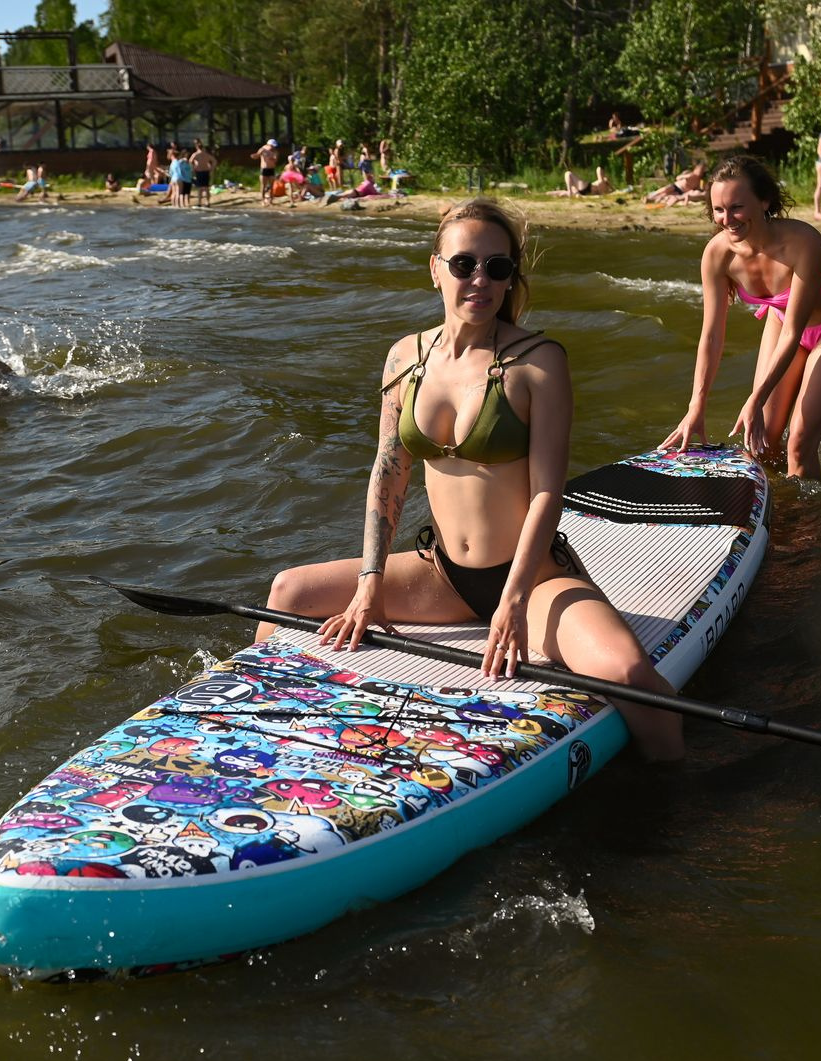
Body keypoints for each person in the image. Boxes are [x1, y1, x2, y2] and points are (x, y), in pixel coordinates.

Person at [259, 198, 687, 760]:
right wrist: (370, 581)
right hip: (445, 575)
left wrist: (511, 603)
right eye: (464, 265)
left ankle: (677, 788)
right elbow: (388, 474)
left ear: (512, 278)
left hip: (533, 581)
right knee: (288, 591)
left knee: (630, 673)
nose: (480, 280)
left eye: (498, 267)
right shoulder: (404, 359)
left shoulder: (538, 361)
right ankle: (260, 716)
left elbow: (547, 492)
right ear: (436, 267)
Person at [661, 155, 821, 480]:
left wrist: (755, 399)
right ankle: (775, 515)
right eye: (718, 209)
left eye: (737, 207)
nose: (727, 219)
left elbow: (794, 332)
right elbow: (712, 336)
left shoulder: (804, 243)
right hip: (781, 320)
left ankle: (807, 525)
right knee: (763, 447)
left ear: (764, 201)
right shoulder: (717, 255)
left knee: (798, 443)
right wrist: (695, 407)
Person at [251, 138, 281, 206]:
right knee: (263, 186)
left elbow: (275, 160)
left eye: (273, 146)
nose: (272, 147)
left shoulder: (275, 151)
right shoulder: (262, 149)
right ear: (268, 145)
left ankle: (270, 200)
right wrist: (254, 156)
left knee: (271, 186)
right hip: (264, 169)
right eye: (272, 146)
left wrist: (271, 157)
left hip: (271, 169)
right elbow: (257, 155)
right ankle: (262, 200)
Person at [189, 139, 217, 209]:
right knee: (206, 187)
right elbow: (214, 161)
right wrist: (211, 168)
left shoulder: (196, 154)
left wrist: (194, 168)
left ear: (197, 147)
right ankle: (207, 202)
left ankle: (199, 202)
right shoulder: (206, 155)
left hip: (199, 171)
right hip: (206, 171)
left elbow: (190, 161)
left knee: (200, 188)